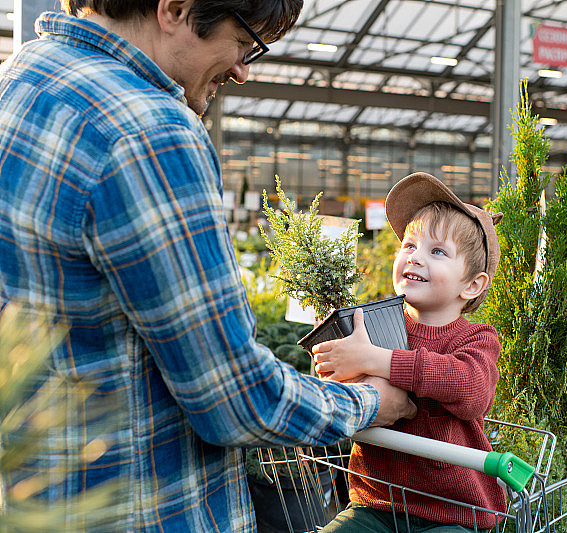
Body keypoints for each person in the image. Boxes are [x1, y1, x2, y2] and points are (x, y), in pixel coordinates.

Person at [0, 1, 415, 532]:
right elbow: (235, 399)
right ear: (175, 9)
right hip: (147, 510)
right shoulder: (149, 130)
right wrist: (370, 402)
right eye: (244, 44)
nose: (242, 70)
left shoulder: (19, 80)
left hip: (40, 503)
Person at [312, 172, 506, 532]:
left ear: (471, 285)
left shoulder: (476, 339)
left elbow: (471, 389)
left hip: (453, 514)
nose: (415, 258)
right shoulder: (371, 324)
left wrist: (376, 360)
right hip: (376, 504)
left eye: (437, 251)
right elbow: (337, 383)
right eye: (409, 245)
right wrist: (331, 360)